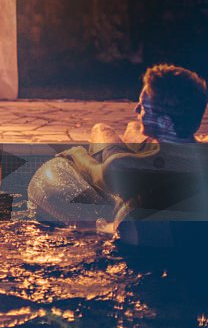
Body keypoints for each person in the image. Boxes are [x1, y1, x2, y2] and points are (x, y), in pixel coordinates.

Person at [60, 65, 208, 245]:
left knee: (101, 130)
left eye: (143, 108)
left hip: (157, 253)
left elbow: (94, 172)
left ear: (164, 122)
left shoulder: (127, 168)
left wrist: (75, 153)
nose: (136, 110)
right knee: (133, 127)